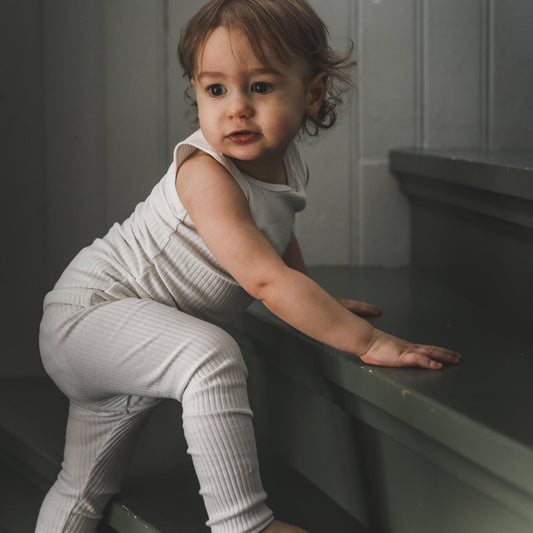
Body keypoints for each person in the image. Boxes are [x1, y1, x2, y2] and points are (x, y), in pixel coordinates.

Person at [36, 1, 461, 532]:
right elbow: (265, 279)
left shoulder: (279, 164)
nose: (236, 108)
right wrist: (368, 342)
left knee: (81, 487)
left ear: (312, 93)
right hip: (92, 316)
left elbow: (274, 237)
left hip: (129, 335)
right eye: (216, 90)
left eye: (259, 87)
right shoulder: (206, 174)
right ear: (196, 93)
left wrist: (316, 300)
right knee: (209, 357)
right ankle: (243, 523)